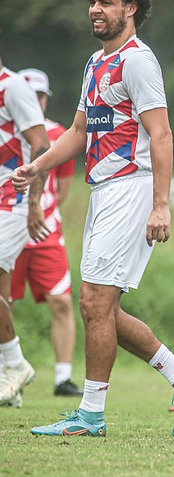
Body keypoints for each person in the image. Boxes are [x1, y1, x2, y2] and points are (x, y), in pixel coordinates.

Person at [13, 0, 174, 437]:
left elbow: (161, 133)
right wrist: (38, 165)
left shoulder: (137, 60)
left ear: (130, 8)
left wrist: (161, 204)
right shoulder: (96, 62)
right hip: (106, 190)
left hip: (132, 187)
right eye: (92, 2)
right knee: (100, 307)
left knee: (95, 302)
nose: (95, 10)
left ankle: (91, 416)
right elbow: (79, 131)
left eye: (105, 3)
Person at [10, 68, 82, 398]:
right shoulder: (5, 130)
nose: (36, 101)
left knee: (61, 301)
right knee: (4, 301)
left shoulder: (58, 134)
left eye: (41, 96)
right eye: (32, 95)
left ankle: (63, 377)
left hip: (44, 230)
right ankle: (9, 371)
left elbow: (63, 188)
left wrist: (40, 210)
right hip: (8, 221)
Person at [0, 40, 50, 406]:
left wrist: (35, 203)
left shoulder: (13, 86)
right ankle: (9, 380)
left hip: (12, 201)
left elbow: (41, 145)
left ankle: (16, 365)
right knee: (2, 295)